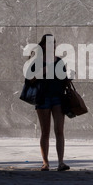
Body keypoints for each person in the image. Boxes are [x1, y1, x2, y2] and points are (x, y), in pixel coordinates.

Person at [28, 34, 70, 171]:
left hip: (58, 98)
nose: (53, 46)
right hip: (43, 98)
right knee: (45, 132)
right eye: (50, 43)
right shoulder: (37, 61)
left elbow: (63, 80)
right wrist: (43, 71)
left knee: (59, 130)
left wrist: (68, 79)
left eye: (54, 43)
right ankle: (45, 163)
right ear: (44, 45)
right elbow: (30, 80)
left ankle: (61, 163)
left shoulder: (59, 61)